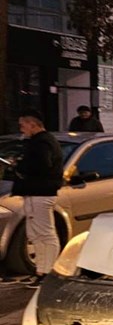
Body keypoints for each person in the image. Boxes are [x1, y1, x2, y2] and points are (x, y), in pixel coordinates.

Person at [13, 109, 64, 286]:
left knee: (44, 234)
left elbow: (42, 165)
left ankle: (48, 272)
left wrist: (20, 166)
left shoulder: (42, 143)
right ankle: (41, 270)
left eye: (23, 125)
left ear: (33, 124)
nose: (21, 129)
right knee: (35, 234)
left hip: (40, 193)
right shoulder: (41, 141)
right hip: (37, 193)